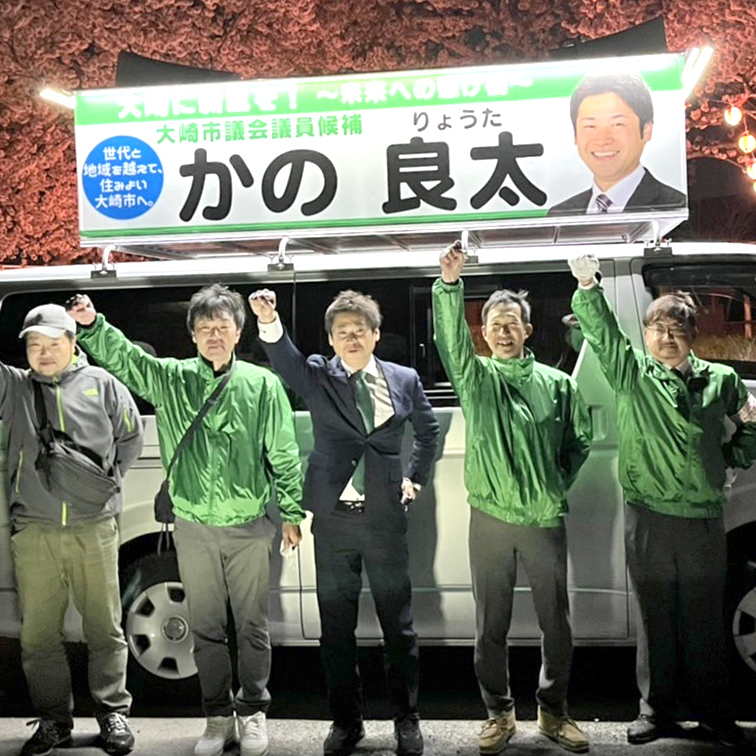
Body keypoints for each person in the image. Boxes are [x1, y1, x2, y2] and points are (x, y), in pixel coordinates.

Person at [67, 285, 304, 756]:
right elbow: (128, 360)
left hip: (249, 524)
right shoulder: (172, 379)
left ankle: (252, 712)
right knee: (206, 628)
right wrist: (92, 325)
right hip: (194, 526)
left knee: (253, 627)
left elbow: (284, 452)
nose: (214, 335)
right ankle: (217, 717)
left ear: (238, 332)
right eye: (205, 328)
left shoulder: (262, 384)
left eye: (223, 327)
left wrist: (292, 512)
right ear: (192, 335)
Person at [569, 253, 756, 747]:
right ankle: (656, 711)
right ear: (646, 335)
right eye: (658, 329)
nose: (667, 337)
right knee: (654, 617)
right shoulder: (631, 373)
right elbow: (604, 334)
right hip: (648, 514)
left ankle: (713, 713)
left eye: (677, 329)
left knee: (703, 618)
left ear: (693, 334)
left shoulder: (721, 380)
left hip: (702, 516)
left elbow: (752, 423)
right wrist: (588, 287)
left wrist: (730, 458)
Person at [249, 288, 439, 756]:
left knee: (399, 626)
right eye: (342, 332)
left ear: (376, 335)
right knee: (335, 629)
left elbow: (428, 430)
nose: (351, 338)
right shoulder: (319, 376)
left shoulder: (404, 378)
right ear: (331, 340)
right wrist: (269, 320)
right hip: (333, 520)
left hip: (385, 518)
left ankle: (406, 719)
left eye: (359, 330)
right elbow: (286, 361)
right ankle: (345, 722)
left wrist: (415, 477)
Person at [433, 242, 593, 755]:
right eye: (494, 324)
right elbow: (451, 343)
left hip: (544, 518)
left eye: (512, 324)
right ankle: (498, 713)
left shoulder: (559, 385)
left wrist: (553, 485)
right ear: (483, 333)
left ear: (528, 330)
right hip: (491, 519)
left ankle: (554, 712)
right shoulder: (476, 378)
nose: (503, 332)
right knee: (490, 625)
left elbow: (579, 443)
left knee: (556, 623)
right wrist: (450, 286)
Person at [5, 304, 144, 756]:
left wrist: (107, 485)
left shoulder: (102, 384)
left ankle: (113, 714)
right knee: (38, 636)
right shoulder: (15, 387)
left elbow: (131, 437)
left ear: (72, 342)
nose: (43, 353)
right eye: (35, 345)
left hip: (95, 527)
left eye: (53, 343)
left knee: (105, 627)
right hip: (35, 530)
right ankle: (53, 721)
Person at [548, 72, 686, 216]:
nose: (602, 140)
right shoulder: (559, 214)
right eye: (590, 126)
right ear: (575, 135)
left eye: (617, 124)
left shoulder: (676, 208)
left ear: (646, 130)